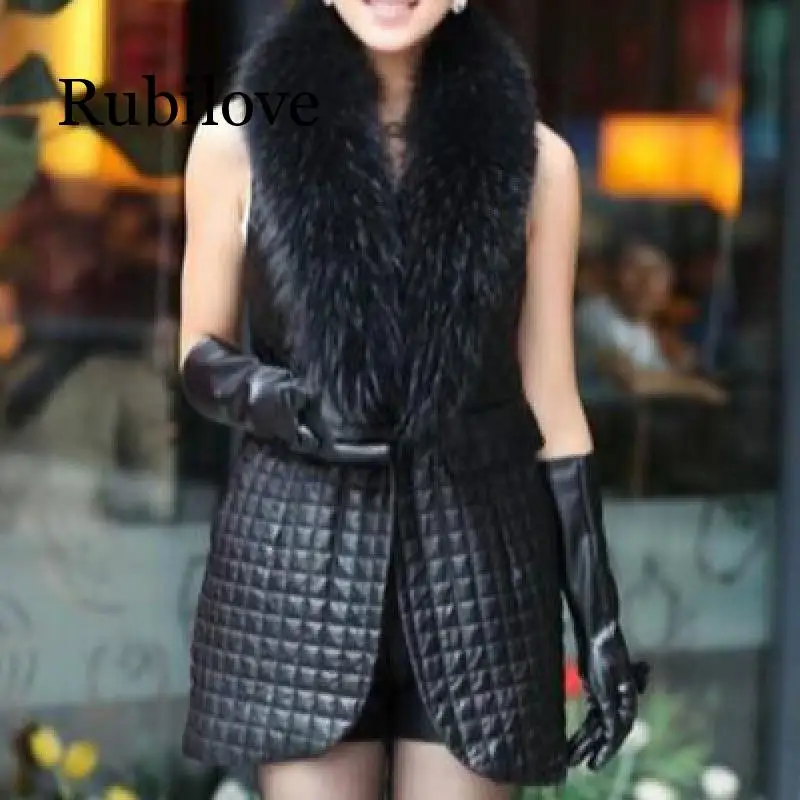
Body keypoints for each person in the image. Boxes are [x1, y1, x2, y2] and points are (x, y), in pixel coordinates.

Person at [178, 1, 648, 798]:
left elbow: (553, 400)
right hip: (299, 567)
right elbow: (199, 353)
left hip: (480, 574)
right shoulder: (237, 138)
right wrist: (288, 404)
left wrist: (597, 622)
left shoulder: (540, 164)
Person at [576, 236, 727, 405]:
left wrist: (687, 366)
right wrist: (697, 388)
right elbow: (632, 381)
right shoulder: (595, 314)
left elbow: (663, 375)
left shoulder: (644, 330)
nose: (645, 283)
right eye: (635, 271)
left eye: (656, 274)